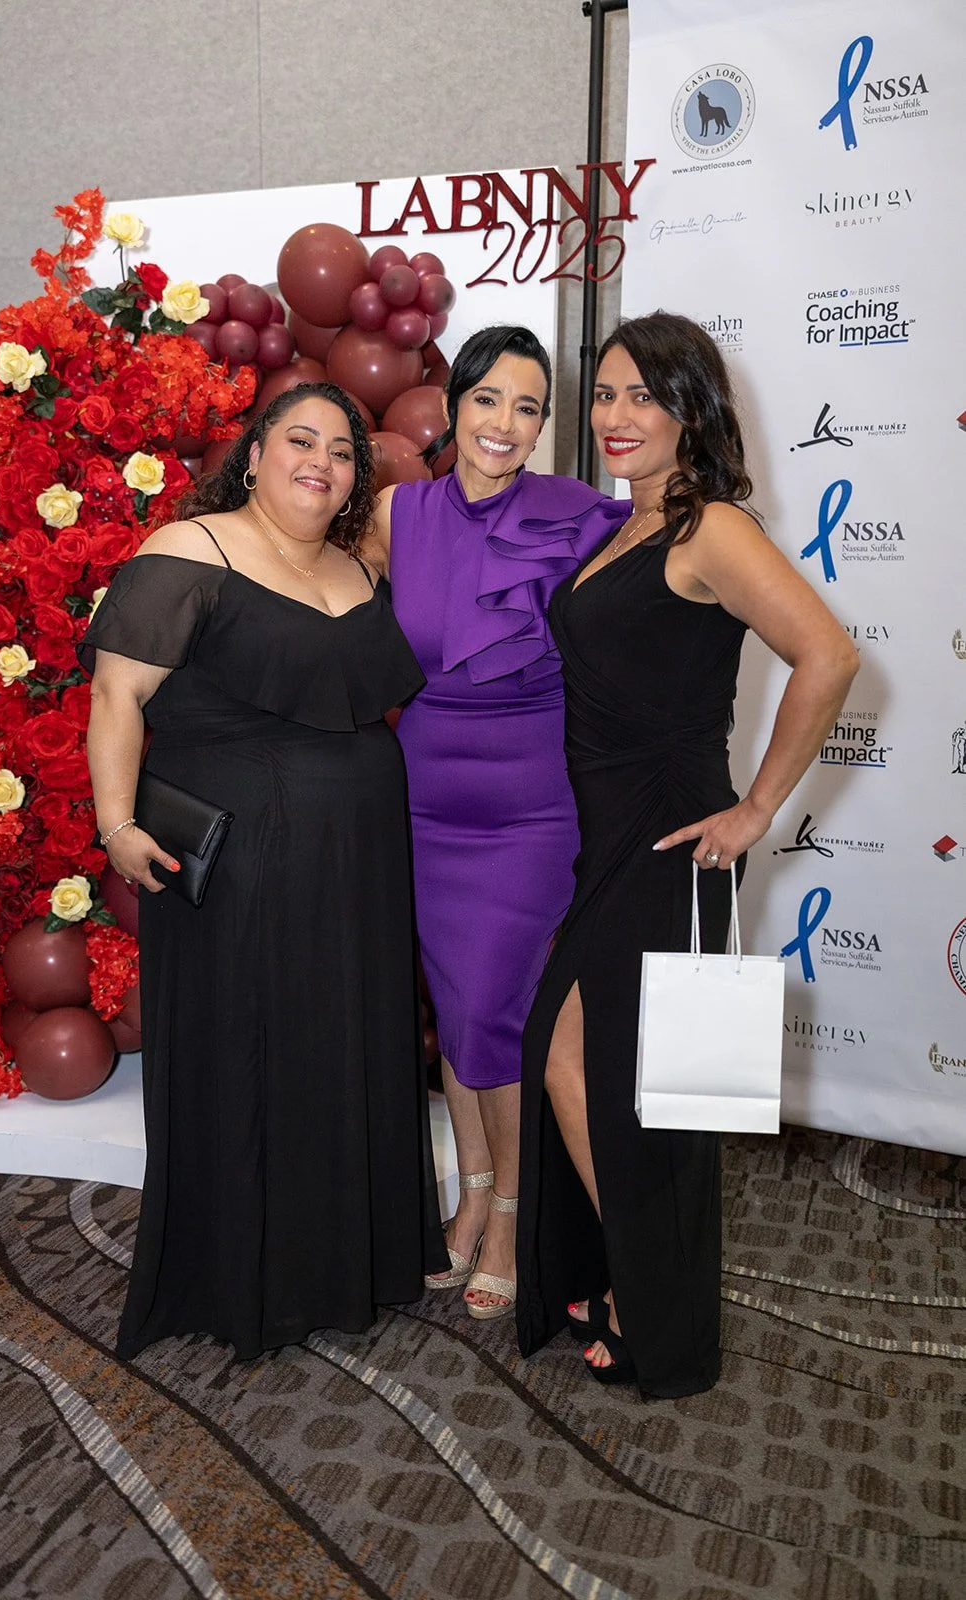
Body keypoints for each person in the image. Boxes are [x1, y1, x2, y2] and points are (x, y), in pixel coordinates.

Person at [516, 313, 859, 1396]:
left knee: (623, 1080)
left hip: (670, 832)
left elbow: (827, 654)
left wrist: (756, 805)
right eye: (604, 395)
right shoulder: (623, 526)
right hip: (604, 831)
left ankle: (651, 1306)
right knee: (577, 1063)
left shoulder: (708, 526)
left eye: (641, 397)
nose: (615, 417)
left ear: (688, 410)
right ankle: (630, 1272)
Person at [80, 382, 446, 1359]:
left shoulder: (355, 566)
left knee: (343, 1044)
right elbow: (117, 696)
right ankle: (245, 1281)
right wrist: (115, 823)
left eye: (338, 448)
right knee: (248, 1053)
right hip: (240, 858)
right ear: (253, 454)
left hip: (357, 858)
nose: (318, 459)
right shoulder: (186, 552)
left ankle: (345, 1263)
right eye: (298, 439)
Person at [363, 327, 629, 1319]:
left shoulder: (580, 518)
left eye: (527, 408)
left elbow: (649, 612)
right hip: (423, 798)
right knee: (451, 1002)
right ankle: (471, 1191)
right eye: (488, 401)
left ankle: (512, 1215)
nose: (504, 425)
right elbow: (324, 610)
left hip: (531, 808)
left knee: (498, 1015)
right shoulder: (398, 512)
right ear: (453, 404)